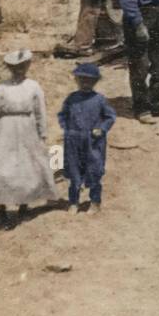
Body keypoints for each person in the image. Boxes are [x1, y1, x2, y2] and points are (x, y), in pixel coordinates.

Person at [0, 48, 58, 225]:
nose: (18, 70)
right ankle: (2, 207)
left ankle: (24, 206)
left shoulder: (33, 86)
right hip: (6, 130)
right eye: (14, 67)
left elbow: (40, 111)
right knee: (3, 166)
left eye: (22, 66)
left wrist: (42, 133)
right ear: (9, 68)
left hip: (27, 128)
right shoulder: (1, 89)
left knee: (28, 167)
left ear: (28, 66)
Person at [58, 63, 116, 214]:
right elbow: (62, 115)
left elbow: (110, 117)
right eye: (81, 79)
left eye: (89, 80)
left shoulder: (100, 99)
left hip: (93, 141)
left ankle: (95, 202)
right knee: (74, 170)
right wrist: (67, 129)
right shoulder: (72, 98)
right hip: (74, 141)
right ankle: (73, 202)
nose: (85, 83)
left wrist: (101, 129)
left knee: (94, 170)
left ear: (95, 82)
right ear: (76, 80)